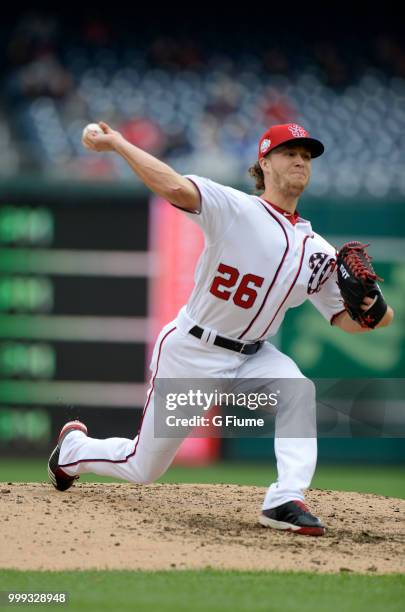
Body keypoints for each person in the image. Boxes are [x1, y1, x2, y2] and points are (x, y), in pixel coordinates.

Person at [48, 121, 394, 536]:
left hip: (253, 356)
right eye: (290, 153)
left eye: (306, 155)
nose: (301, 160)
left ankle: (286, 497)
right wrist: (120, 143)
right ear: (264, 163)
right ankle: (72, 451)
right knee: (144, 467)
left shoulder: (318, 250)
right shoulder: (233, 208)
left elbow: (347, 320)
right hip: (193, 351)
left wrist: (375, 309)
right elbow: (175, 187)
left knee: (298, 391)